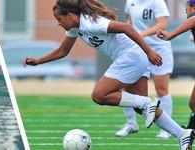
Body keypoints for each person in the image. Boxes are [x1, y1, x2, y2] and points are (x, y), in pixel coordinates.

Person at [23, 0, 193, 149]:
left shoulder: (91, 23)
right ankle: (183, 134)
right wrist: (38, 61)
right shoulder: (76, 28)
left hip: (131, 56)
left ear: (70, 15)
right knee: (141, 108)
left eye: (59, 19)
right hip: (134, 58)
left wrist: (149, 51)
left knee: (99, 95)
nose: (58, 23)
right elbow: (62, 51)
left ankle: (147, 102)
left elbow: (126, 27)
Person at [117, 0, 174, 138]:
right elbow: (129, 21)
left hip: (159, 49)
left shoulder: (157, 2)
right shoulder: (130, 1)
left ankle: (165, 129)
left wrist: (140, 35)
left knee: (161, 89)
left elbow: (162, 24)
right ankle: (131, 124)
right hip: (138, 50)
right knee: (127, 85)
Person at [157, 0, 195, 132]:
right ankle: (192, 129)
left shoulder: (193, 16)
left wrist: (170, 35)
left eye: (187, 9)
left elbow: (193, 20)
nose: (186, 11)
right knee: (193, 103)